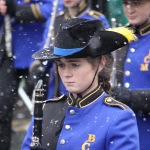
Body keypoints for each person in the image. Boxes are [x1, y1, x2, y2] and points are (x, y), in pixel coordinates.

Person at [22, 18, 139, 150]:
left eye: (75, 65)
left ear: (100, 63)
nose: (66, 73)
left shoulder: (118, 117)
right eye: (61, 65)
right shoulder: (46, 109)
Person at [0, 0, 63, 149]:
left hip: (38, 55)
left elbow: (55, 9)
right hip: (10, 54)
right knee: (2, 109)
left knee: (46, 111)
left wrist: (19, 10)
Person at [30, 0, 109, 100]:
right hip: (56, 89)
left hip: (87, 89)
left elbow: (106, 56)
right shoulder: (54, 19)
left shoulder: (96, 20)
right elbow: (44, 48)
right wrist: (37, 67)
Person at [110, 0, 150, 149]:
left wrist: (132, 97)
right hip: (125, 132)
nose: (129, 9)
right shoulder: (122, 36)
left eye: (136, 3)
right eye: (126, 4)